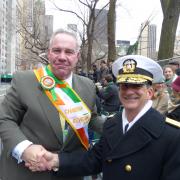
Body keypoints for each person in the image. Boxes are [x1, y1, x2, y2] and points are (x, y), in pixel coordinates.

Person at [26, 55, 180, 180]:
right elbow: (94, 159)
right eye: (124, 85)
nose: (129, 91)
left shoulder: (172, 135)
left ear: (150, 92)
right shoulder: (113, 124)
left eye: (136, 86)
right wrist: (55, 160)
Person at [0, 29, 104, 180]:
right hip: (26, 172)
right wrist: (24, 148)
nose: (62, 57)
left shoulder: (87, 85)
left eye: (69, 52)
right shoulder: (24, 81)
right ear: (49, 53)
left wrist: (119, 126)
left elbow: (90, 117)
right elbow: (5, 119)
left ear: (77, 56)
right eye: (57, 50)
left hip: (69, 173)